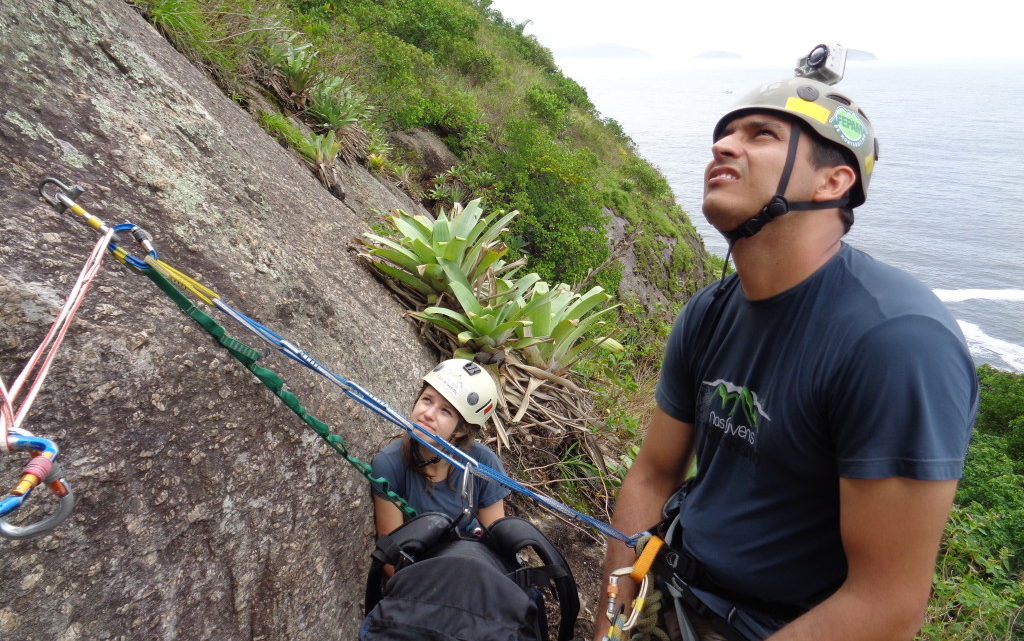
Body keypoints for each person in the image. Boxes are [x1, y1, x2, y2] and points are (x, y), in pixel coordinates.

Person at [595, 73, 978, 641]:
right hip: (675, 594)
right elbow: (653, 474)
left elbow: (887, 603)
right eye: (724, 135)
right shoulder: (711, 310)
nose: (722, 146)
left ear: (833, 181)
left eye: (762, 135)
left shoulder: (897, 343)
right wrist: (612, 620)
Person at [371, 358, 509, 538]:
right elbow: (391, 557)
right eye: (427, 400)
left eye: (445, 411)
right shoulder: (390, 464)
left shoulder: (482, 464)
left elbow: (497, 540)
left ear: (461, 430)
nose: (428, 414)